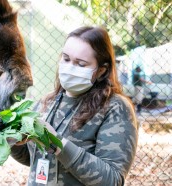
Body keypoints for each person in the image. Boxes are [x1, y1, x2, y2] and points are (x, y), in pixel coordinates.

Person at [10, 26, 138, 186]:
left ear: (101, 71)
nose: (70, 67)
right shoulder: (47, 102)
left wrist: (56, 143)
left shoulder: (115, 107)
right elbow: (35, 159)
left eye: (81, 64)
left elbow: (112, 180)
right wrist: (12, 141)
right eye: (66, 59)